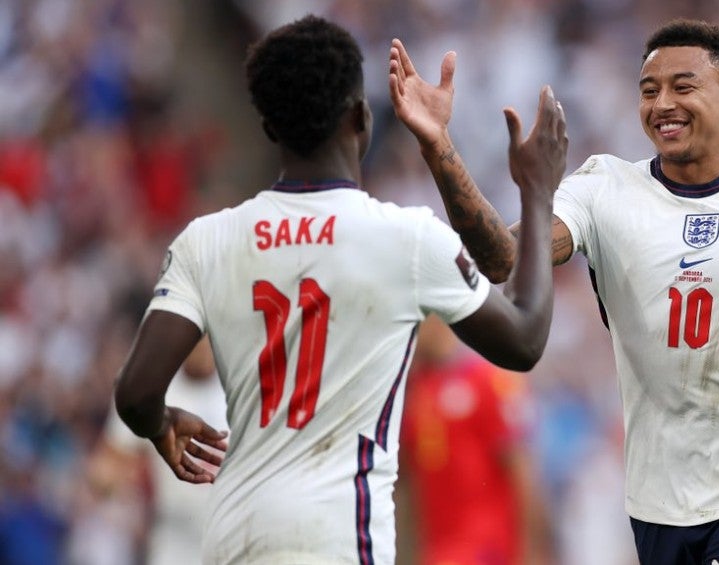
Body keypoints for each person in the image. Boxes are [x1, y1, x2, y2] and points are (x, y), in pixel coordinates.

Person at [388, 18, 719, 565]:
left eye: (683, 87)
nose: (662, 104)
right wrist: (439, 145)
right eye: (649, 90)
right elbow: (502, 261)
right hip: (656, 505)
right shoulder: (604, 190)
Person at [114, 14, 567, 565]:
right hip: (335, 538)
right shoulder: (405, 238)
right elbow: (524, 339)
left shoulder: (205, 241)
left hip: (232, 536)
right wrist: (538, 194)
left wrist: (161, 424)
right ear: (361, 116)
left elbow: (136, 394)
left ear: (269, 129)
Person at [396, 315, 554, 565]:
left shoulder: (487, 380)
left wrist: (533, 554)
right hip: (436, 552)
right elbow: (407, 485)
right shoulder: (413, 391)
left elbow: (522, 474)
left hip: (487, 551)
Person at [98, 336, 226, 565]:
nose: (202, 345)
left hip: (233, 536)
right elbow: (109, 466)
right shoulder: (151, 389)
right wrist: (118, 489)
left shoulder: (247, 388)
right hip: (174, 539)